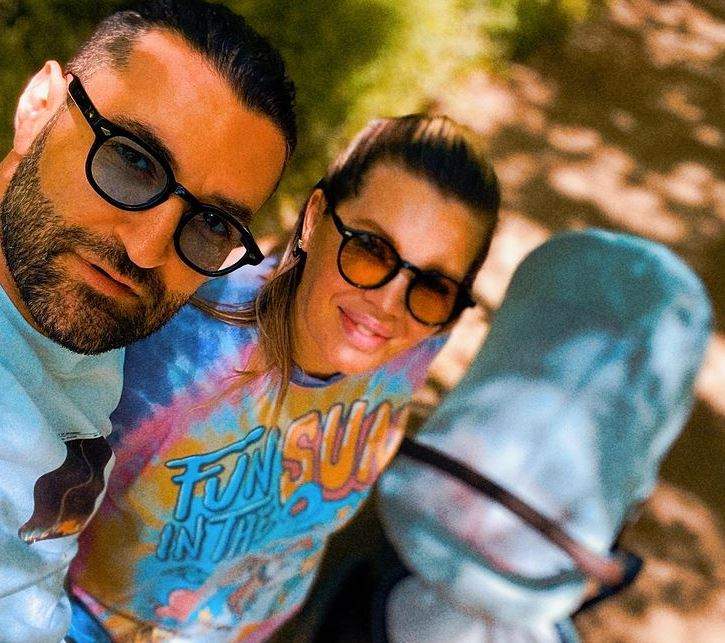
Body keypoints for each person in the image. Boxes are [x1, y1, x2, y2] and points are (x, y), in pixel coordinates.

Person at [67, 114, 501, 641]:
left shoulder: (417, 341)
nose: (388, 304)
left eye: (433, 286)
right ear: (315, 219)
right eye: (370, 249)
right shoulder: (178, 345)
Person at [0, 1, 296, 640]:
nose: (146, 249)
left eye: (212, 223)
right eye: (133, 160)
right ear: (39, 105)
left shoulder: (71, 305)